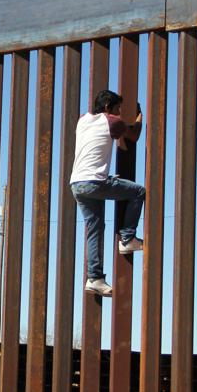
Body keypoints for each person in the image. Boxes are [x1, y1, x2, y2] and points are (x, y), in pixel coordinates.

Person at [70, 89, 145, 297]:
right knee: (138, 192)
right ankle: (128, 238)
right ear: (107, 107)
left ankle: (94, 278)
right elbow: (133, 135)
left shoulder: (82, 120)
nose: (119, 112)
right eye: (117, 108)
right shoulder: (112, 121)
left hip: (77, 183)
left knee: (95, 228)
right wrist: (139, 116)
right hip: (94, 182)